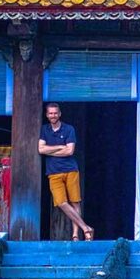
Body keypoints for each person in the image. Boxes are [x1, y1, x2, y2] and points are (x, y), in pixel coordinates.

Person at [38, 103, 94, 241]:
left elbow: (70, 151)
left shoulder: (69, 129)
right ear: (47, 115)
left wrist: (50, 150)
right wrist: (59, 147)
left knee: (75, 202)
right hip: (53, 172)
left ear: (60, 114)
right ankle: (86, 228)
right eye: (50, 113)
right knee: (61, 202)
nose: (53, 115)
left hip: (70, 169)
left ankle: (76, 234)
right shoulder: (44, 130)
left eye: (55, 113)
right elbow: (41, 150)